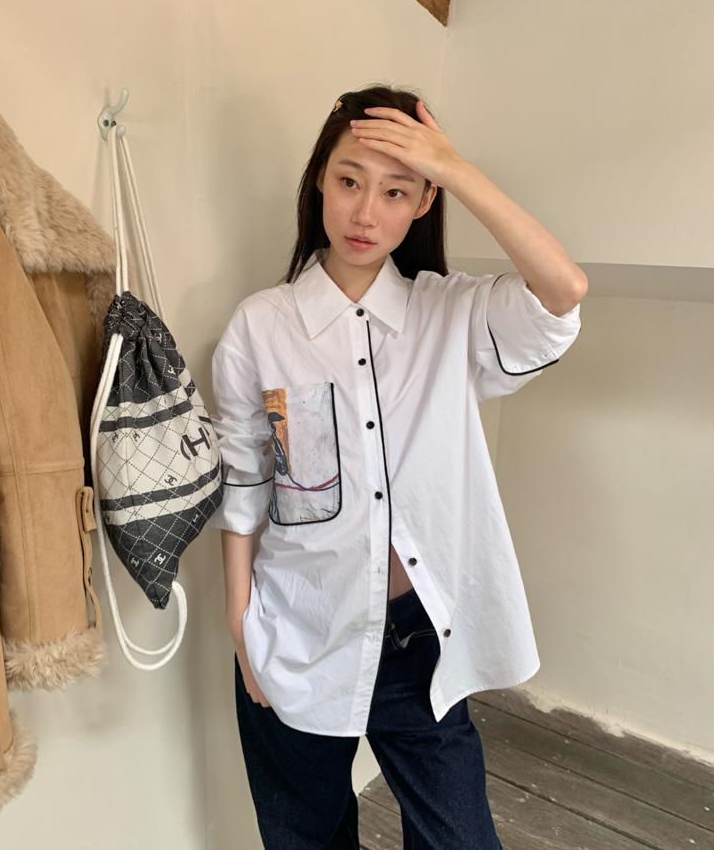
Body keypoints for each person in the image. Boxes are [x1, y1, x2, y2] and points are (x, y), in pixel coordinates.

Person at [210, 83, 586, 849]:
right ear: (320, 181)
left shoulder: (452, 314)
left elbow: (563, 293)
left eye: (396, 191)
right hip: (296, 630)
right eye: (349, 181)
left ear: (424, 202)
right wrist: (241, 626)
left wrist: (454, 166)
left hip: (418, 650)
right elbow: (245, 482)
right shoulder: (260, 327)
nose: (365, 213)